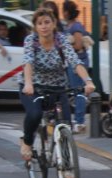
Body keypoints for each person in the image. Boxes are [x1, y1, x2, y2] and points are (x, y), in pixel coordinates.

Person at [18, 8, 95, 161]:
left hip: (58, 87)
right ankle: (27, 142)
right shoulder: (31, 40)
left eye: (47, 22)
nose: (44, 26)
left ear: (54, 24)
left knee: (65, 124)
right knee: (35, 114)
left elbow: (74, 61)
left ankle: (66, 164)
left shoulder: (61, 40)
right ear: (36, 27)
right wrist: (28, 83)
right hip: (33, 87)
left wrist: (88, 81)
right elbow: (28, 62)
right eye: (40, 23)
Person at [63, 1, 92, 133]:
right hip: (73, 62)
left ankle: (79, 121)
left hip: (78, 62)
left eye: (63, 10)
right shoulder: (70, 26)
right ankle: (79, 120)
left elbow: (79, 45)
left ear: (67, 12)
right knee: (76, 91)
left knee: (79, 91)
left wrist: (65, 48)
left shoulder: (76, 27)